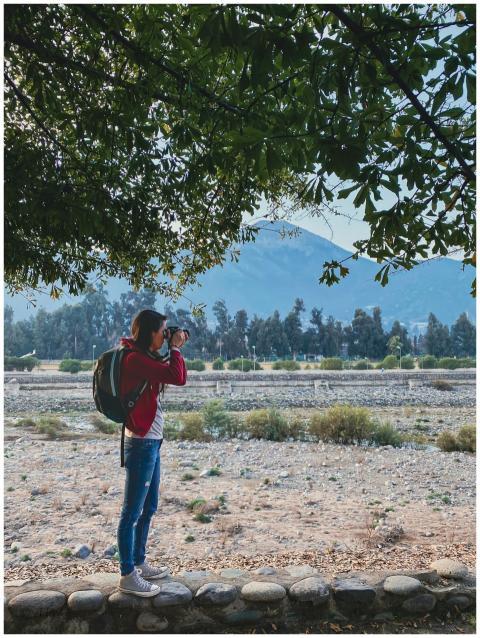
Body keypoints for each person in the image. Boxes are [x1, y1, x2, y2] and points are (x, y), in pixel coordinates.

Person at [116, 309, 188, 597]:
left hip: (153, 442)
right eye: (162, 331)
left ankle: (139, 562)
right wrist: (174, 349)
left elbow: (175, 373)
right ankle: (127, 574)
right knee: (131, 512)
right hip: (142, 443)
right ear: (149, 333)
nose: (165, 335)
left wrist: (172, 348)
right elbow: (177, 377)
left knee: (150, 506)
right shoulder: (134, 360)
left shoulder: (145, 357)